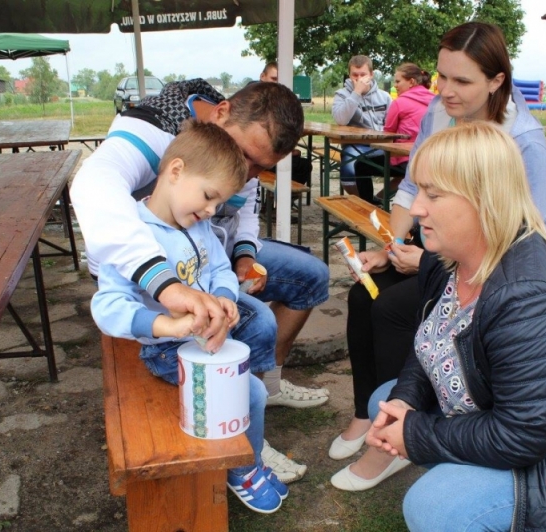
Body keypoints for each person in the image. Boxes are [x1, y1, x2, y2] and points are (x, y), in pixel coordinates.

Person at [354, 122, 546, 530]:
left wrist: (417, 435)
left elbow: (524, 433)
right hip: (514, 425)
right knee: (386, 401)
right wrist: (407, 402)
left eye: (434, 193)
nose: (416, 208)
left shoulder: (533, 297)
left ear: (484, 199)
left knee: (434, 508)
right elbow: (428, 342)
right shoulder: (449, 258)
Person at [71, 79, 330, 484]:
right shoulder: (154, 129)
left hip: (208, 251)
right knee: (252, 316)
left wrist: (245, 255)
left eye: (261, 167)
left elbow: (245, 209)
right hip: (145, 264)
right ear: (221, 112)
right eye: (245, 157)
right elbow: (92, 183)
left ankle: (263, 386)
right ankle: (242, 411)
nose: (248, 173)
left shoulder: (233, 167)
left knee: (310, 277)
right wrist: (167, 286)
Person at [329, 22, 546, 469]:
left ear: (497, 82)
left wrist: (432, 262)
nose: (446, 91)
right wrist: (393, 247)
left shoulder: (524, 143)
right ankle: (365, 414)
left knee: (392, 310)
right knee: (362, 294)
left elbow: (524, 239)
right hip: (439, 249)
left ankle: (404, 431)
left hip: (489, 270)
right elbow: (412, 187)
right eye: (441, 77)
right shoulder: (438, 112)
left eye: (462, 81)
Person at [89, 121, 288, 514]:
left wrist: (224, 297)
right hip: (165, 348)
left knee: (262, 319)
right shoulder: (130, 232)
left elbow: (220, 270)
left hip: (203, 333)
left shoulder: (197, 225)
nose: (212, 211)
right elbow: (107, 306)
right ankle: (244, 467)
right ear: (176, 171)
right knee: (252, 393)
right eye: (209, 197)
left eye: (219, 204)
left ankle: (244, 415)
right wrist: (168, 326)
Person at [355, 63, 434, 195]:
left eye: (398, 81)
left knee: (360, 164)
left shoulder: (399, 102)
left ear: (412, 82)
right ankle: (380, 198)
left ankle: (368, 206)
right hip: (432, 160)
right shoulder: (436, 100)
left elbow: (388, 134)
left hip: (406, 160)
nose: (395, 85)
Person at [332, 55, 391, 202]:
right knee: (348, 172)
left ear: (371, 74)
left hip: (382, 146)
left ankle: (376, 200)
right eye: (355, 75)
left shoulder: (384, 97)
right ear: (349, 75)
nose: (359, 79)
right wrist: (356, 93)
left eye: (363, 75)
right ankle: (363, 204)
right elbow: (340, 119)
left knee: (410, 169)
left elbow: (393, 123)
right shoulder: (342, 95)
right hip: (355, 145)